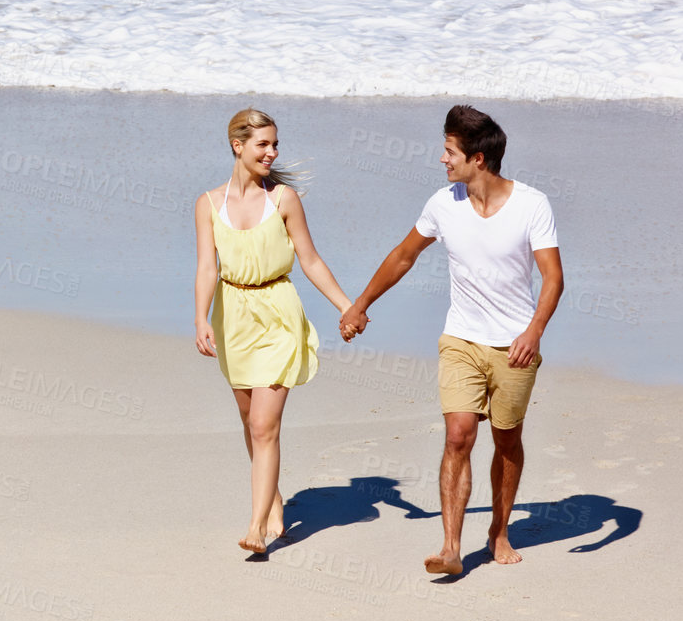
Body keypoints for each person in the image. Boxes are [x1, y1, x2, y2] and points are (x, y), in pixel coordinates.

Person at [339, 105, 564, 575]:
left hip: (514, 346)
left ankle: (499, 531)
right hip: (461, 338)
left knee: (507, 441)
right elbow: (404, 256)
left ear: (477, 158)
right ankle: (450, 547)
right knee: (458, 435)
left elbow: (552, 278)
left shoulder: (532, 205)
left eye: (449, 151)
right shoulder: (444, 203)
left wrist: (533, 330)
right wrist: (361, 304)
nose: (443, 160)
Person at [195, 108, 356, 558]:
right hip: (234, 317)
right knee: (251, 422)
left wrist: (348, 306)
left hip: (278, 314)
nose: (273, 152)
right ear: (238, 145)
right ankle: (275, 497)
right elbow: (207, 267)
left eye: (275, 144)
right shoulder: (207, 204)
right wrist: (200, 317)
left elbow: (310, 260)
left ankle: (256, 525)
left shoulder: (283, 199)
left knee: (265, 425)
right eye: (263, 144)